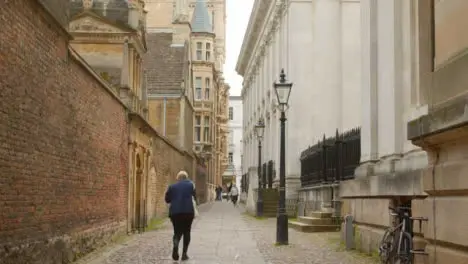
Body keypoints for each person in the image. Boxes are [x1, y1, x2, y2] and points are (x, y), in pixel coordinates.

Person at [165, 170, 197, 261]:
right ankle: (184, 254)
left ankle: (175, 247)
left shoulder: (172, 187)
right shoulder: (191, 185)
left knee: (177, 232)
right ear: (186, 178)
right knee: (187, 232)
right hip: (188, 212)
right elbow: (195, 197)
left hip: (175, 213)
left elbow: (167, 199)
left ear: (178, 178)